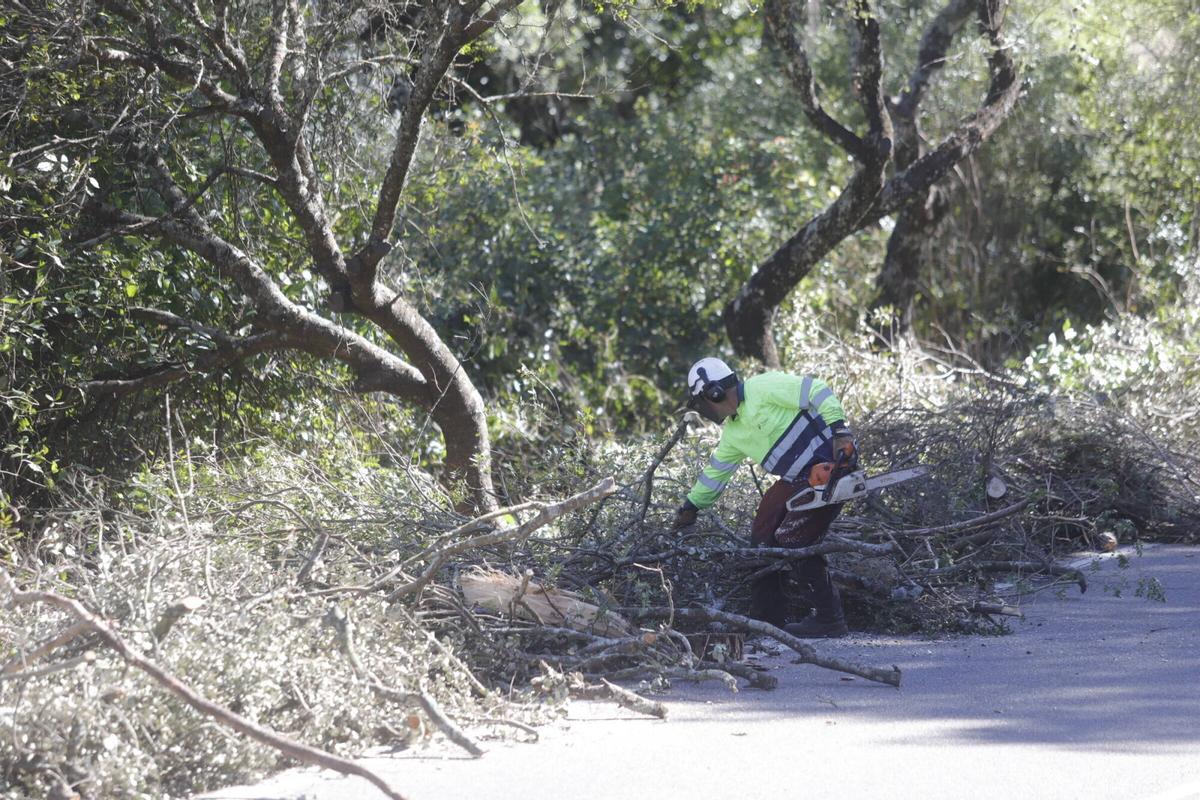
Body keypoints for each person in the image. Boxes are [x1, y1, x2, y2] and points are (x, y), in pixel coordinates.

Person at [671, 357, 857, 638]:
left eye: (704, 400)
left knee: (794, 537)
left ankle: (830, 619)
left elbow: (817, 390)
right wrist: (692, 505)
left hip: (832, 465)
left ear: (714, 392)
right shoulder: (734, 432)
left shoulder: (764, 387)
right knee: (762, 536)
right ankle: (768, 621)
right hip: (799, 480)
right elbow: (716, 473)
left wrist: (840, 432)